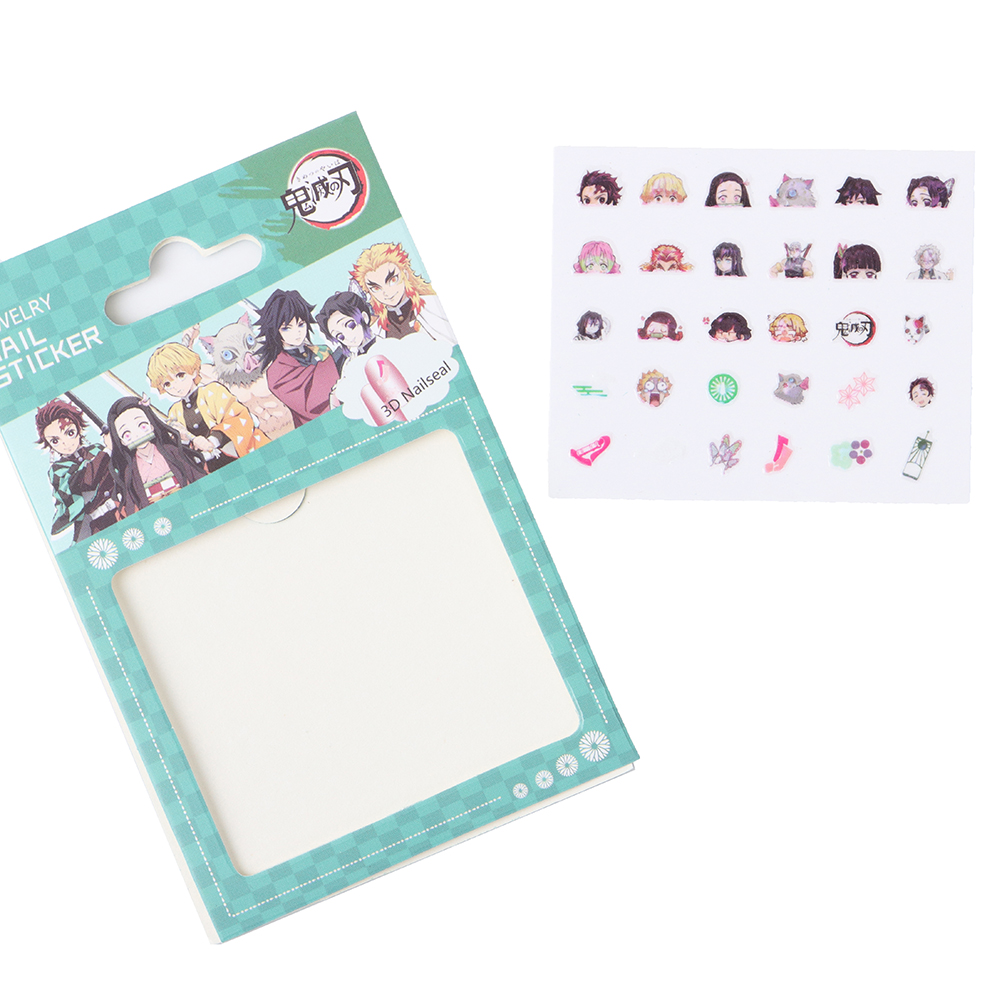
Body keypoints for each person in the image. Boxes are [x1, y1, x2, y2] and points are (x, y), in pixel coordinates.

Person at [146, 342, 268, 472]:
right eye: (167, 384)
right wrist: (184, 440)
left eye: (180, 375)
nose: (175, 386)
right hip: (213, 468)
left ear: (193, 371)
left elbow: (238, 418)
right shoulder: (175, 412)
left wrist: (212, 441)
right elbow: (178, 450)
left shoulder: (213, 391)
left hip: (245, 454)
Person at [256, 289, 341, 427]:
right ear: (275, 330)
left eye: (301, 324)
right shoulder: (276, 371)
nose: (297, 332)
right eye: (287, 328)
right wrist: (339, 356)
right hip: (319, 429)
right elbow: (311, 403)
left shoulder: (323, 351)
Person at [35, 399, 118, 541]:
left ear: (78, 429)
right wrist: (107, 450)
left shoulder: (96, 449)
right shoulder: (57, 470)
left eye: (70, 433)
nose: (65, 443)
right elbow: (84, 482)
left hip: (120, 509)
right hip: (93, 525)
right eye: (55, 441)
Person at [106, 396, 206, 514]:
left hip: (189, 504)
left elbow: (197, 477)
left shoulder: (171, 451)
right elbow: (132, 507)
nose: (137, 435)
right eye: (127, 434)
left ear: (151, 425)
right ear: (122, 441)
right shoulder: (130, 470)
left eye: (142, 425)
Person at [350, 243, 456, 342]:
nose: (387, 292)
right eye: (376, 288)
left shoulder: (432, 306)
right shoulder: (377, 330)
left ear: (405, 274)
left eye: (392, 280)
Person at [316, 291, 378, 372]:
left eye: (350, 325)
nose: (348, 337)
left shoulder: (383, 343)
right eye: (340, 336)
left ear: (364, 317)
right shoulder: (349, 364)